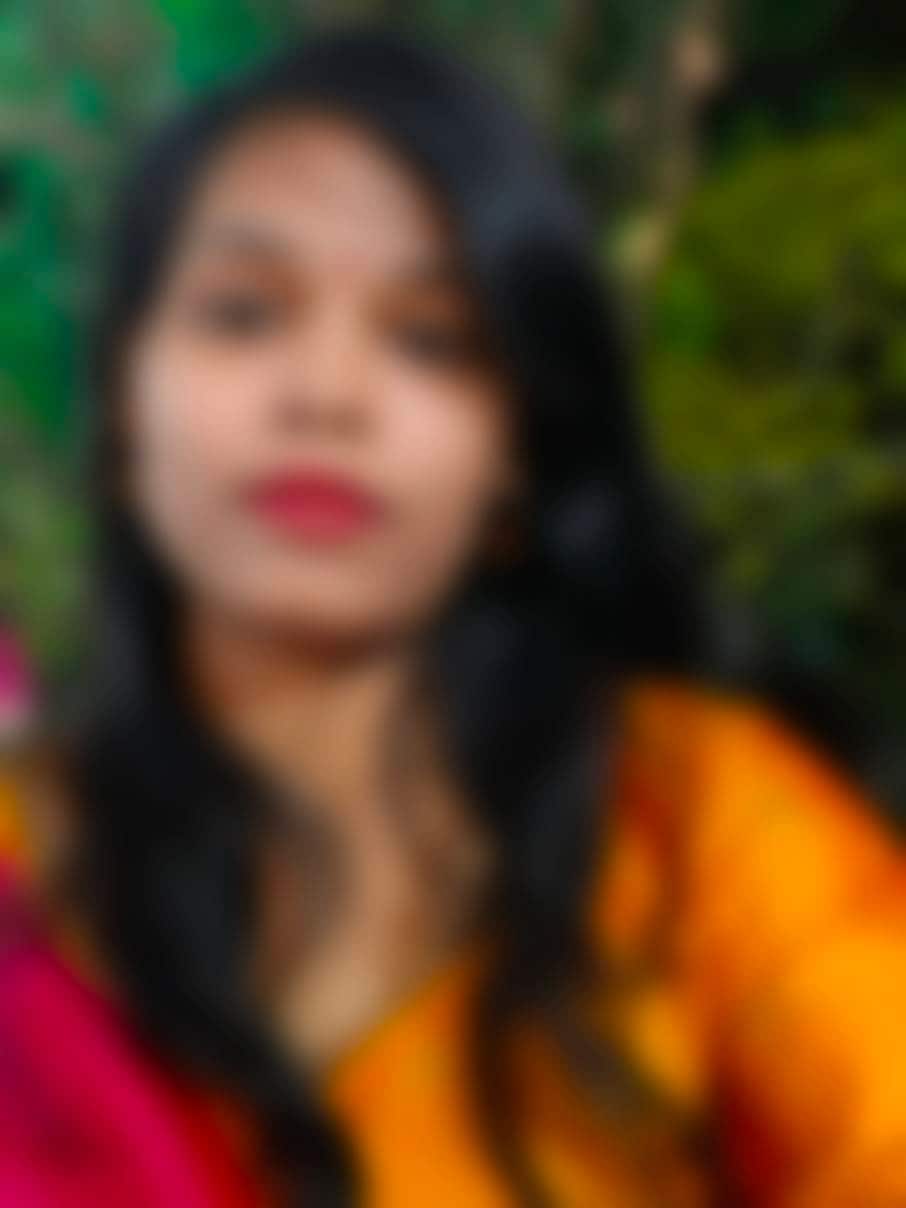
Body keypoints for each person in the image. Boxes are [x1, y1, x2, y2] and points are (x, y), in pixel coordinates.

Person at [1, 24, 905, 1208]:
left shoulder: (693, 827)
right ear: (124, 412)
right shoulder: (21, 881)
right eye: (244, 312)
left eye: (431, 339)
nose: (326, 394)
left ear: (517, 458)